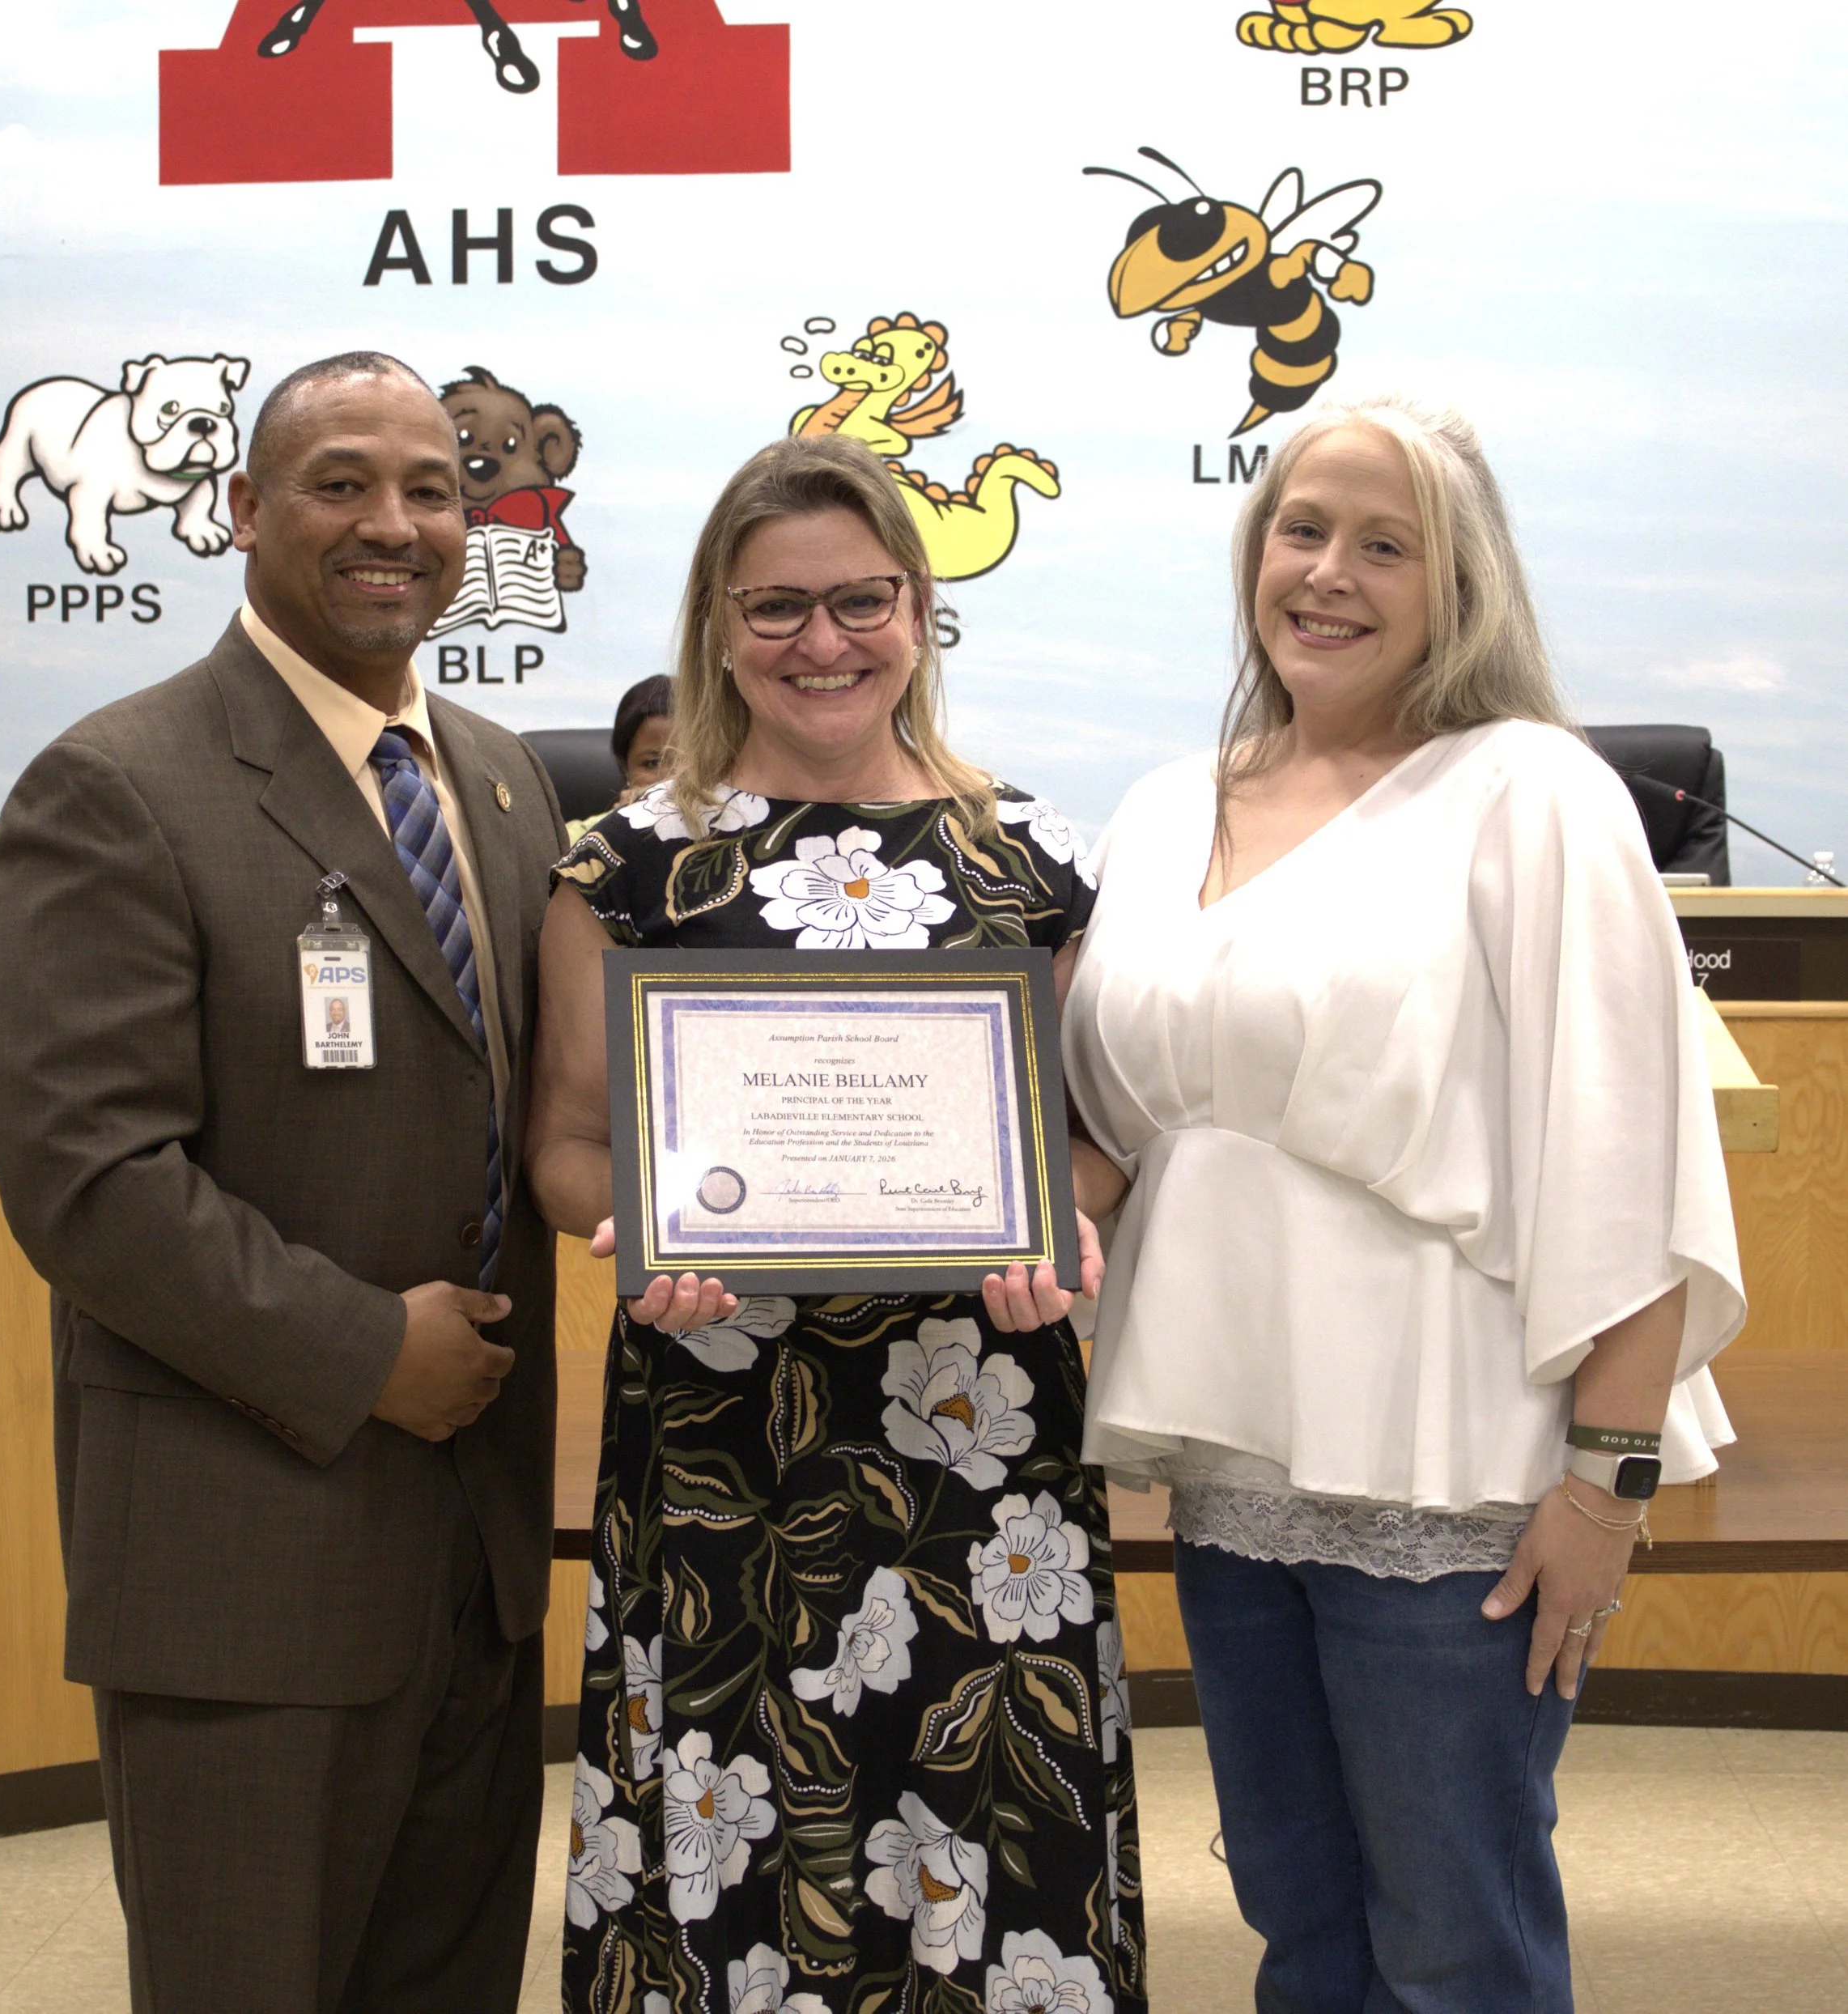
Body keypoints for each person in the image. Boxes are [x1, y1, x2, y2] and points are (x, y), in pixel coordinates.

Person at [1062, 395, 1745, 2013]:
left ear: (1460, 586)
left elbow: (1629, 1149)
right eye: (1302, 529)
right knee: (1300, 1926)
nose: (1330, 572)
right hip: (1229, 1471)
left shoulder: (1531, 791)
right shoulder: (1169, 802)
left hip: (1464, 1491)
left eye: (1386, 544)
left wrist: (1604, 1486)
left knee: (1453, 1946)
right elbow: (1114, 1133)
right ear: (1253, 550)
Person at [0, 351, 567, 2014]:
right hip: (246, 1553)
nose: (393, 523)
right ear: (241, 510)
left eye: (432, 487)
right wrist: (362, 1350)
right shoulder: (119, 783)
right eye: (340, 483)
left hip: (471, 1553)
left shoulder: (505, 778)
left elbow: (549, 1106)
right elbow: (83, 1176)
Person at [527, 435, 1146, 2014]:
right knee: (734, 1835)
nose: (821, 641)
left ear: (918, 607)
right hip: (722, 1450)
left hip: (977, 1448)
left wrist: (1055, 1230)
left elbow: (1086, 1153)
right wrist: (641, 1232)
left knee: (983, 1843)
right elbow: (570, 1148)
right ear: (716, 624)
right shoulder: (627, 867)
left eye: (859, 599)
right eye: (776, 606)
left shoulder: (1035, 864)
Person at [610, 672, 673, 805]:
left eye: (688, 762)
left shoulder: (727, 820)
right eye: (654, 763)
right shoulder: (585, 827)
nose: (671, 781)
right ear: (625, 768)